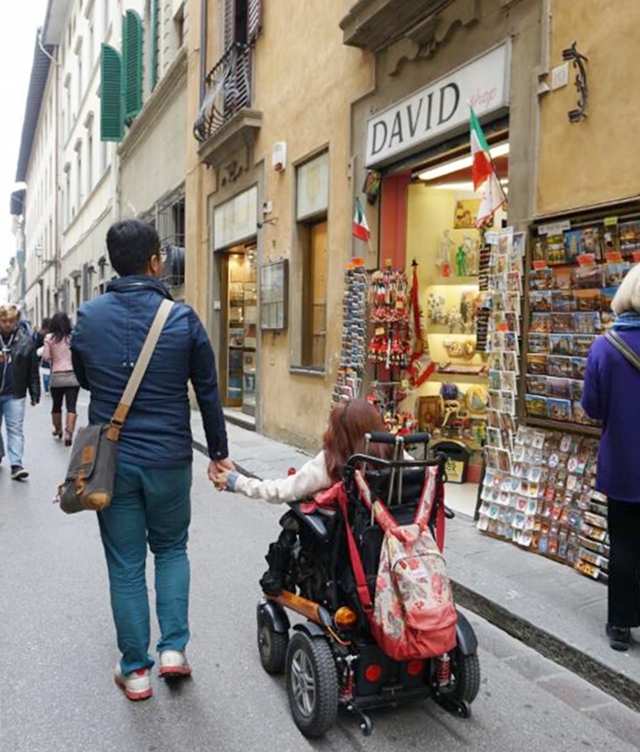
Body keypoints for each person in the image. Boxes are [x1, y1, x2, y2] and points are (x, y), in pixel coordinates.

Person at [71, 219, 232, 701]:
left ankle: (135, 670)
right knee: (171, 549)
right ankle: (173, 653)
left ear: (113, 262)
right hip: (169, 458)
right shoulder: (181, 319)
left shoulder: (88, 316)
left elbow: (84, 379)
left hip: (112, 461)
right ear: (155, 261)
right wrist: (219, 454)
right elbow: (207, 389)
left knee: (124, 564)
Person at [214, 399, 393, 595]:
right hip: (387, 536)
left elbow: (279, 491)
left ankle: (276, 578)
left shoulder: (331, 462)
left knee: (295, 518)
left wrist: (236, 482)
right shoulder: (396, 455)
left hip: (345, 545)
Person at [582, 263, 640, 652]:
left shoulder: (605, 346)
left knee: (622, 541)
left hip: (622, 462)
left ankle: (620, 624)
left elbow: (593, 407)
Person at [0, 305, 40, 480]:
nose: (7, 324)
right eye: (3, 321)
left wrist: (35, 393)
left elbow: (32, 370)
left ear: (16, 321)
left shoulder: (26, 341)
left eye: (11, 321)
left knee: (15, 429)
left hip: (15, 393)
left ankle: (16, 464)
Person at [43, 312, 80, 445]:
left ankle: (58, 429)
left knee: (56, 405)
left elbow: (46, 357)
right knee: (71, 406)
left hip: (57, 376)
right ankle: (69, 433)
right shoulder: (72, 337)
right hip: (72, 375)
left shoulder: (49, 338)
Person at [34, 317, 52, 393]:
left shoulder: (40, 333)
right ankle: (51, 384)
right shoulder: (52, 333)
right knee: (51, 369)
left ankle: (46, 388)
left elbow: (37, 344)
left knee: (45, 371)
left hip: (42, 353)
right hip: (52, 352)